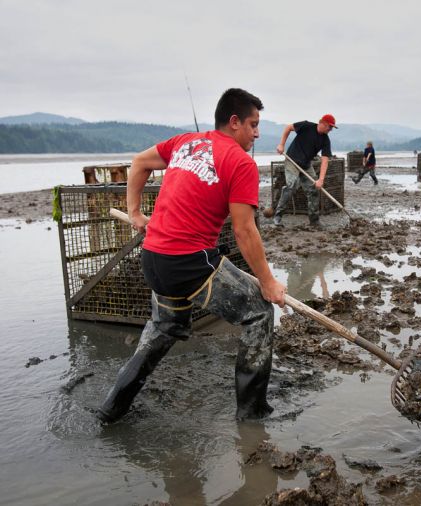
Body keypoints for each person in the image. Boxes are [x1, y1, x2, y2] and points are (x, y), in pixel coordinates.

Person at [97, 88, 287, 423]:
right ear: (234, 122)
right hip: (189, 262)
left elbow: (139, 162)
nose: (257, 133)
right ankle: (252, 415)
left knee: (164, 327)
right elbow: (244, 231)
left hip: (154, 257)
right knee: (258, 312)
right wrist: (268, 283)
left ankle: (111, 409)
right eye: (253, 124)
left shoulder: (185, 142)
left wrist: (137, 214)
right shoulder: (241, 162)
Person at [273, 114, 337, 227]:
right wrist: (281, 144)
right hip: (292, 160)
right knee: (292, 185)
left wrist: (320, 180)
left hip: (306, 165)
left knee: (314, 189)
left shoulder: (325, 140)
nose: (331, 130)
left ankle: (314, 220)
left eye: (332, 128)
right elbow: (288, 127)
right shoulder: (307, 126)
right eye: (330, 127)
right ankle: (278, 215)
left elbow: (325, 160)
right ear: (322, 123)